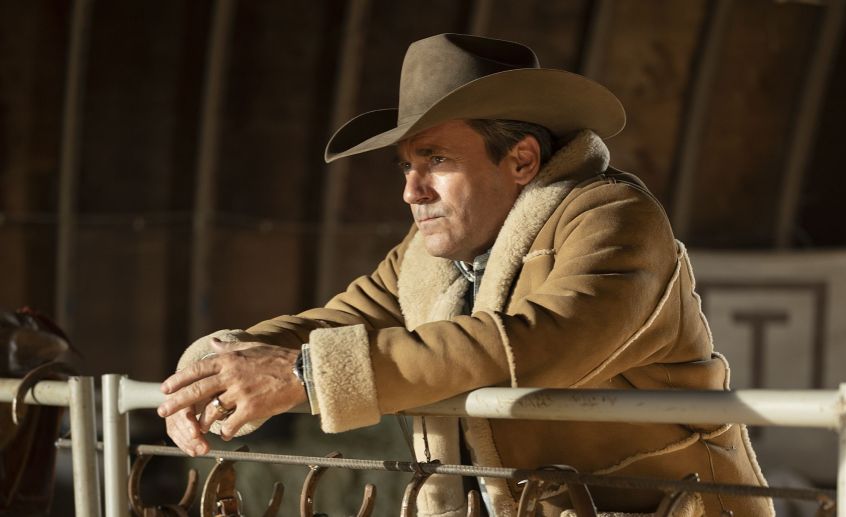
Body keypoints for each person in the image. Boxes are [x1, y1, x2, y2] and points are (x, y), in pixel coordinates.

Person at [158, 33, 774, 516]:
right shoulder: (424, 256)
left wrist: (306, 375)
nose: (412, 191)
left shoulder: (614, 217)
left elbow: (546, 340)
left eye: (436, 160)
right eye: (406, 166)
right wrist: (212, 370)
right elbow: (339, 320)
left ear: (522, 160)